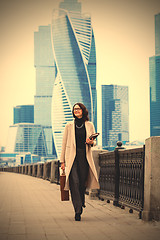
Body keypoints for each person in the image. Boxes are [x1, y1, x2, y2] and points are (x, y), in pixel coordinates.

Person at [60, 103, 100, 221]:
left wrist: (90, 142)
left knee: (82, 182)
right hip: (71, 157)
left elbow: (94, 143)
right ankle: (78, 210)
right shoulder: (69, 125)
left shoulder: (89, 125)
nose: (76, 110)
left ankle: (81, 200)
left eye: (78, 109)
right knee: (74, 182)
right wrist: (62, 161)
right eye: (74, 109)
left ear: (83, 110)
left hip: (84, 156)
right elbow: (64, 143)